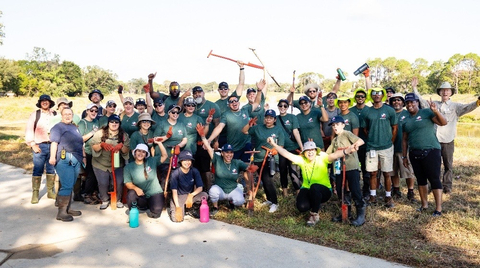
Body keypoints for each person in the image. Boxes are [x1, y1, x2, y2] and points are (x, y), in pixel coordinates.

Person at [267, 138, 356, 226]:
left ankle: (314, 214)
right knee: (301, 207)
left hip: (324, 190)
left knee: (315, 187)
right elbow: (286, 154)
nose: (310, 152)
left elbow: (335, 155)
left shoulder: (322, 157)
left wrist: (347, 150)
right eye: (307, 150)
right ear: (304, 153)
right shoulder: (302, 160)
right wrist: (274, 145)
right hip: (307, 188)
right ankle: (315, 203)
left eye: (312, 150)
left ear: (316, 151)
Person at [413, 79, 480, 194]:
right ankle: (434, 185)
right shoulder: (434, 104)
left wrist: (477, 102)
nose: (445, 92)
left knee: (448, 165)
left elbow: (468, 107)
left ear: (451, 93)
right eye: (443, 90)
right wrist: (414, 89)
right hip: (434, 141)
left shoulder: (456, 106)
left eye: (447, 90)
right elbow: (421, 102)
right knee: (434, 165)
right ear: (439, 92)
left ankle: (447, 186)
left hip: (448, 140)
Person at [402, 93, 447, 216]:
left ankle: (438, 208)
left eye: (412, 102)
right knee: (420, 179)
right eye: (407, 103)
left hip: (431, 151)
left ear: (417, 103)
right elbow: (404, 139)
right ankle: (424, 205)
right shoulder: (406, 119)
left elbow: (443, 122)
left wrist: (435, 111)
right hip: (414, 153)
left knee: (434, 179)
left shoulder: (427, 112)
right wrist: (404, 156)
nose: (410, 105)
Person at [207, 80, 265, 162]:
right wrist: (209, 140)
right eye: (231, 102)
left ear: (239, 102)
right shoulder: (226, 115)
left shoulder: (246, 110)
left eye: (235, 101)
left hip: (246, 144)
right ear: (229, 104)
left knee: (247, 167)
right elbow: (219, 127)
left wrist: (259, 90)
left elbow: (257, 102)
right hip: (234, 146)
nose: (234, 102)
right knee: (233, 168)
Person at [242, 109, 285, 213]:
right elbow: (244, 131)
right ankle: (269, 200)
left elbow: (281, 145)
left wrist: (275, 150)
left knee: (268, 179)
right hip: (258, 158)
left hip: (270, 158)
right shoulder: (258, 128)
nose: (268, 120)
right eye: (267, 117)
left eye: (271, 118)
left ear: (274, 120)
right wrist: (249, 124)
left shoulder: (278, 130)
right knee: (262, 178)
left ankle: (275, 202)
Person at [360, 87, 397, 208]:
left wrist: (389, 141)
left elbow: (394, 127)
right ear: (371, 95)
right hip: (372, 147)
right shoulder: (367, 111)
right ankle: (373, 196)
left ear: (383, 95)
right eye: (374, 93)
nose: (377, 95)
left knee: (387, 173)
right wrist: (372, 138)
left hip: (386, 147)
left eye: (379, 93)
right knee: (372, 173)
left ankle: (388, 196)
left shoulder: (389, 110)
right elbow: (365, 129)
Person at [326, 116, 366, 227]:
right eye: (333, 125)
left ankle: (360, 215)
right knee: (340, 190)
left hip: (351, 167)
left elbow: (361, 141)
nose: (335, 127)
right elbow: (327, 155)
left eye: (337, 124)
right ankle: (346, 213)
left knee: (355, 189)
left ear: (343, 125)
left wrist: (354, 146)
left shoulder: (347, 134)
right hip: (339, 169)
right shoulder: (334, 140)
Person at [48, 107, 85, 221]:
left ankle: (67, 208)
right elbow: (54, 143)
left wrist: (83, 157)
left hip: (76, 158)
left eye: (70, 114)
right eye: (65, 114)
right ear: (61, 115)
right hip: (64, 159)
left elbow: (80, 142)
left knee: (72, 183)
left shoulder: (74, 127)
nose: (68, 116)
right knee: (67, 185)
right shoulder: (57, 127)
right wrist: (52, 157)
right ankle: (61, 212)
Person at [91, 114, 130, 210]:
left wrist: (121, 146)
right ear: (108, 123)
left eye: (116, 122)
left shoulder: (124, 135)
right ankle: (104, 200)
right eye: (112, 121)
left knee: (119, 182)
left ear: (119, 124)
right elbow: (94, 147)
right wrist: (101, 145)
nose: (114, 124)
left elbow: (126, 150)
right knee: (103, 183)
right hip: (100, 163)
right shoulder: (100, 133)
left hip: (117, 163)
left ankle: (118, 200)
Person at [25, 94, 57, 204]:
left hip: (52, 145)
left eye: (47, 100)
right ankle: (35, 193)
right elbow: (29, 129)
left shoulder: (54, 114)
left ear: (50, 102)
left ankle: (50, 191)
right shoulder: (35, 114)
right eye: (42, 101)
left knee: (51, 168)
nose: (45, 102)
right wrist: (32, 144)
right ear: (40, 103)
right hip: (39, 145)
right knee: (38, 169)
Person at [124, 143, 168, 219]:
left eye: (143, 152)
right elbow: (128, 183)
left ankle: (151, 206)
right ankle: (135, 211)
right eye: (139, 151)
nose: (140, 153)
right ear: (135, 152)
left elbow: (165, 156)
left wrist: (159, 143)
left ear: (146, 154)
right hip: (141, 194)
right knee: (131, 194)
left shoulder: (151, 161)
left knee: (156, 213)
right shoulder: (128, 167)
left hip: (154, 192)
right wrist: (136, 188)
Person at [153, 104, 188, 191]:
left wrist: (179, 146)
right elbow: (155, 139)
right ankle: (162, 197)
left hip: (176, 155)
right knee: (166, 176)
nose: (175, 114)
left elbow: (185, 139)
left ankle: (177, 196)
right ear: (168, 113)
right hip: (164, 156)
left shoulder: (181, 125)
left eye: (177, 112)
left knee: (178, 175)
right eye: (173, 112)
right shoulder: (162, 124)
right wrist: (166, 137)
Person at [389, 93, 416, 201]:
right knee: (393, 171)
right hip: (391, 147)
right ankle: (396, 190)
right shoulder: (390, 113)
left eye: (399, 100)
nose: (396, 102)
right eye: (394, 100)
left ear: (403, 102)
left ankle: (411, 191)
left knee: (408, 171)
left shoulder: (408, 113)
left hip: (405, 148)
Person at [169, 150, 208, 222]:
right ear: (180, 161)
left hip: (190, 196)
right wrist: (177, 206)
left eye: (189, 160)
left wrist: (191, 195)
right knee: (176, 219)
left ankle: (192, 209)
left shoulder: (194, 171)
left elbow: (200, 187)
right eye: (185, 160)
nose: (187, 162)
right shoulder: (175, 173)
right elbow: (174, 192)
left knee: (204, 195)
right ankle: (178, 207)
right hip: (179, 197)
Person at [276, 99, 303, 196]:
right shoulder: (276, 118)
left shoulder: (292, 117)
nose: (282, 107)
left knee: (293, 171)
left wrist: (301, 147)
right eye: (281, 105)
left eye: (285, 106)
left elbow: (296, 132)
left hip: (293, 148)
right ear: (278, 106)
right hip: (282, 149)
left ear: (287, 107)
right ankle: (285, 192)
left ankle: (298, 191)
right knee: (282, 170)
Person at [77, 103, 101, 205]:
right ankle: (86, 194)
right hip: (86, 152)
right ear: (87, 111)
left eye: (96, 111)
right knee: (90, 174)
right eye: (91, 111)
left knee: (96, 174)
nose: (94, 113)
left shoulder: (96, 121)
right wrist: (92, 132)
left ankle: (93, 193)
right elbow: (80, 139)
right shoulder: (82, 123)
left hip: (96, 152)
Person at [349, 88, 371, 197]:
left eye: (362, 96)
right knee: (354, 169)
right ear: (355, 98)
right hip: (352, 144)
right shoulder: (351, 110)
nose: (360, 98)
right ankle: (355, 190)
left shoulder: (369, 110)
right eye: (358, 96)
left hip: (366, 143)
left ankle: (366, 190)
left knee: (366, 169)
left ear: (365, 98)